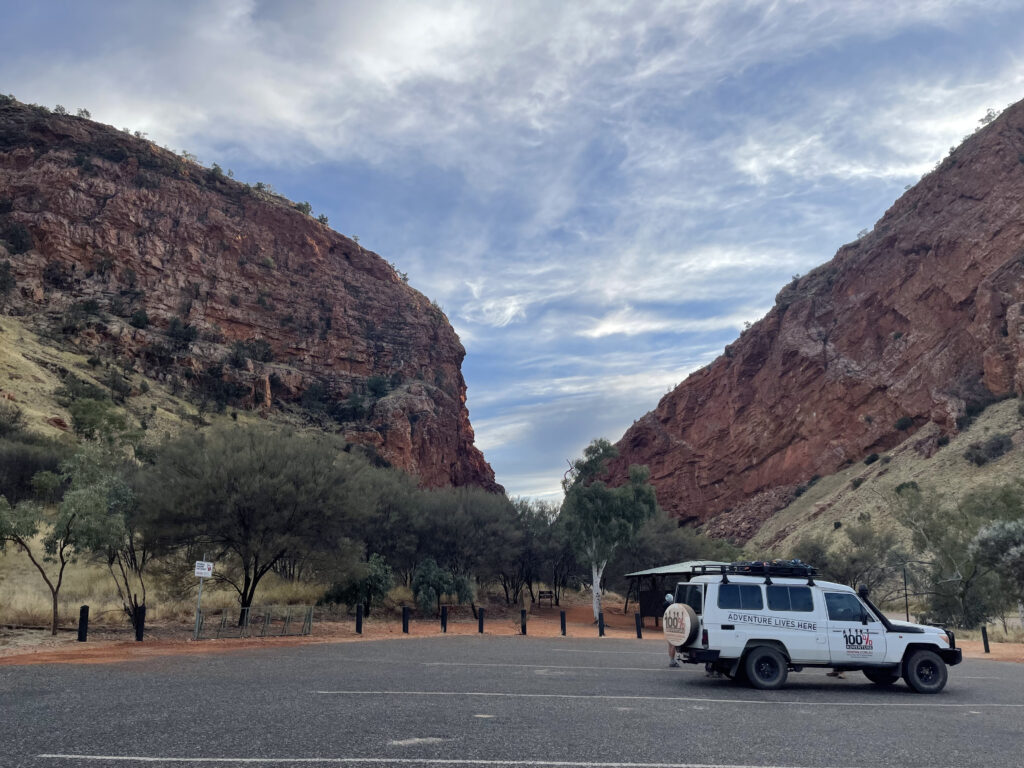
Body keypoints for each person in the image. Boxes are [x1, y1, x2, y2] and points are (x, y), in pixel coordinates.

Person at [664, 592, 680, 667]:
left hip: (667, 626)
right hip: (672, 626)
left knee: (670, 644)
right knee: (673, 644)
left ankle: (671, 660)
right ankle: (672, 661)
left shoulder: (664, 605)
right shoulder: (670, 606)